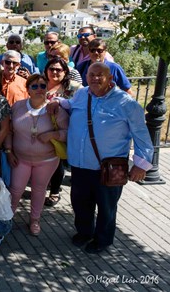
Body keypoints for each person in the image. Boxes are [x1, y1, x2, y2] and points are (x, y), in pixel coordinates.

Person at [50, 63, 153, 254]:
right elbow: (70, 105)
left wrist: (141, 165)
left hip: (109, 167)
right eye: (91, 75)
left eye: (100, 75)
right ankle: (84, 233)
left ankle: (103, 240)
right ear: (86, 76)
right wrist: (58, 102)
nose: (95, 79)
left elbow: (141, 135)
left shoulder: (126, 103)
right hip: (80, 164)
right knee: (80, 203)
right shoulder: (82, 94)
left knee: (106, 207)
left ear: (110, 78)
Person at [6, 74, 69, 236]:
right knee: (16, 189)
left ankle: (35, 220)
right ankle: (7, 218)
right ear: (27, 90)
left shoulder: (55, 109)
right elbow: (9, 131)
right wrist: (9, 151)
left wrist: (52, 136)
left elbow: (67, 132)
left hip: (46, 160)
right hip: (21, 158)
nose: (39, 89)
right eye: (34, 86)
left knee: (39, 190)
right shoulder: (18, 107)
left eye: (42, 86)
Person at [43, 57, 82, 207]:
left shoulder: (73, 87)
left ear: (65, 72)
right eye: (51, 69)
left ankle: (55, 191)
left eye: (58, 69)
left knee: (58, 160)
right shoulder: (41, 84)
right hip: (42, 128)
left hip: (65, 129)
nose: (54, 72)